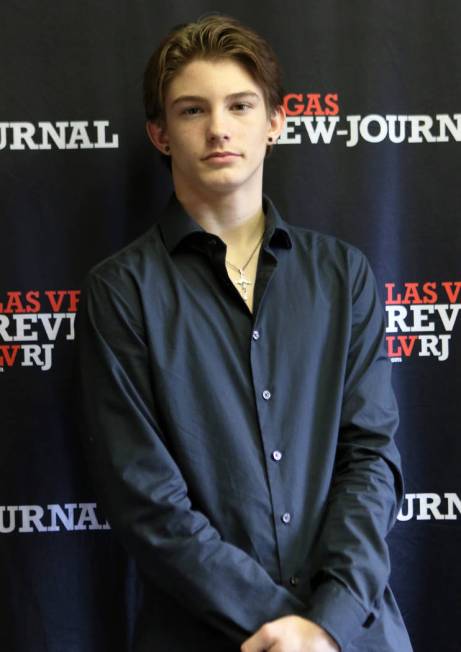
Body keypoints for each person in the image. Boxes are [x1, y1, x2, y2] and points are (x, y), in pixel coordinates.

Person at [76, 13, 413, 652]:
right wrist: (291, 630)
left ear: (276, 122)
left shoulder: (344, 276)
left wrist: (328, 624)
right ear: (160, 134)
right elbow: (146, 499)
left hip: (354, 636)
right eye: (192, 111)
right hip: (205, 635)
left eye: (240, 105)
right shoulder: (119, 292)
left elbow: (370, 459)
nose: (219, 128)